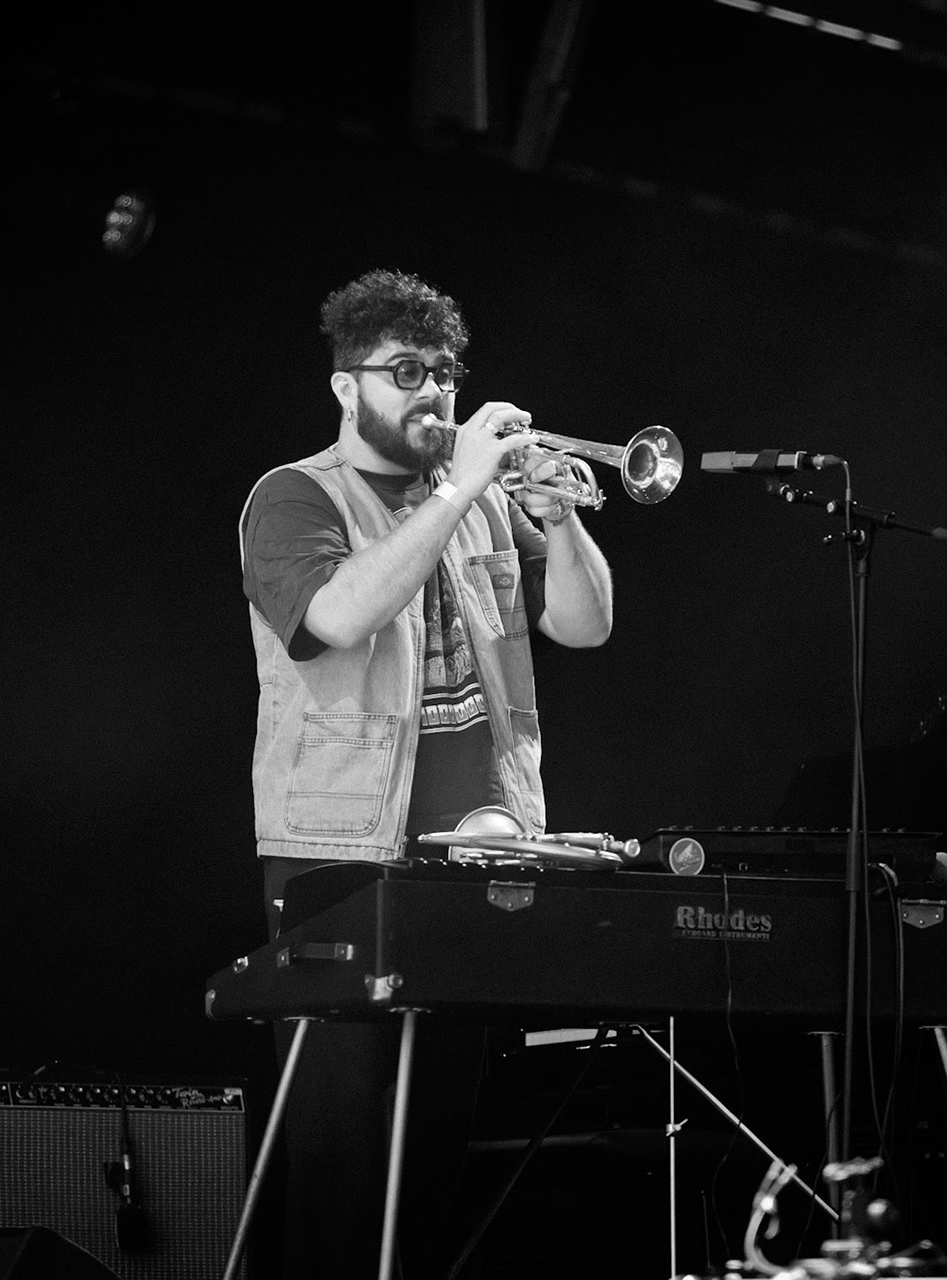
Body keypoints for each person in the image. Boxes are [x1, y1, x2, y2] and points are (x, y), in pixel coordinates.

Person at [238, 267, 614, 1277]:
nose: (433, 393)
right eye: (405, 372)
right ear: (344, 386)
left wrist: (562, 519)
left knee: (430, 1164)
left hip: (470, 854)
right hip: (343, 857)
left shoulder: (480, 507)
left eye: (443, 373)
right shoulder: (294, 495)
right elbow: (338, 617)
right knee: (342, 1165)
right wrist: (458, 491)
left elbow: (583, 626)